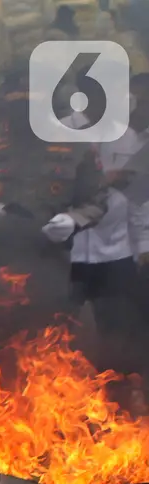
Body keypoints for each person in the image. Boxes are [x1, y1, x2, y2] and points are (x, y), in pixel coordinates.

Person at [0, 68, 106, 324]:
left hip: (44, 271)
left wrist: (74, 220)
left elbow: (97, 200)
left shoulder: (78, 147)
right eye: (18, 100)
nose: (24, 109)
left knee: (42, 353)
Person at [66, 74, 149, 372]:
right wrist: (102, 181)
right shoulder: (60, 133)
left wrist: (142, 246)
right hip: (69, 250)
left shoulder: (125, 138)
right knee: (61, 328)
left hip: (115, 252)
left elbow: (136, 198)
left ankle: (117, 393)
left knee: (118, 326)